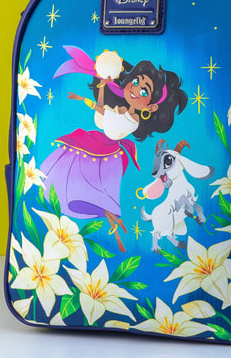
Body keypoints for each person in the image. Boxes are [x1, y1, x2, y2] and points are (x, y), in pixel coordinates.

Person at [40, 48, 188, 253]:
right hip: (100, 145)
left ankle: (117, 232)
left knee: (101, 194)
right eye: (135, 81)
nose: (135, 89)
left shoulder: (132, 119)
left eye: (144, 91)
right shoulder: (122, 109)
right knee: (92, 190)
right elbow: (102, 109)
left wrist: (89, 99)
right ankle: (117, 229)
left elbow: (103, 115)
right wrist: (100, 88)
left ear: (152, 107)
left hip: (107, 152)